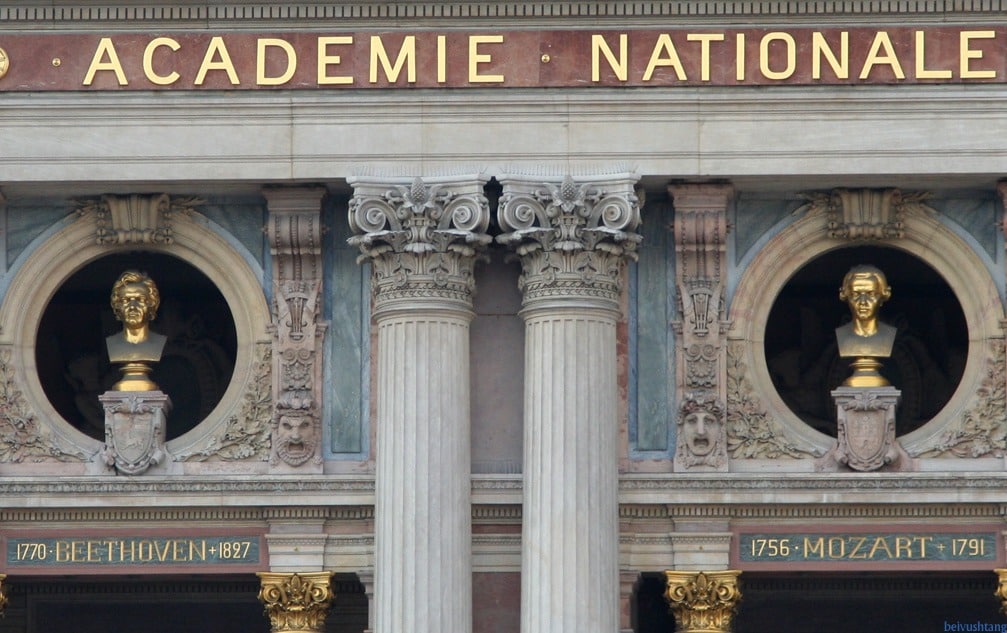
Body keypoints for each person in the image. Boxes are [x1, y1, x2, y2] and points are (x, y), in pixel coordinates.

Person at [106, 270, 167, 390]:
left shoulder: (160, 343)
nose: (133, 306)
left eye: (140, 300)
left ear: (151, 304)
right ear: (117, 306)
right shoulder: (111, 344)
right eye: (125, 301)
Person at [835, 265, 896, 359]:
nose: (863, 302)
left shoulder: (890, 335)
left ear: (882, 297)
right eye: (855, 294)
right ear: (846, 296)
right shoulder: (841, 335)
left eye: (871, 294)